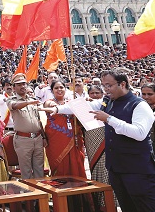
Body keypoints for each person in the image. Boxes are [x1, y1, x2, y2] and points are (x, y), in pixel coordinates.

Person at [47, 70, 155, 212]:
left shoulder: (139, 105)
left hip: (137, 169)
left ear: (122, 84)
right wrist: (57, 108)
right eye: (104, 86)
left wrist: (109, 119)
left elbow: (139, 133)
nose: (106, 90)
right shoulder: (108, 101)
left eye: (109, 85)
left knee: (144, 206)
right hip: (117, 168)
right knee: (127, 206)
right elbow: (81, 107)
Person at [42, 79, 86, 177]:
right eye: (56, 88)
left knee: (76, 163)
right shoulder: (49, 102)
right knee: (60, 166)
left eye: (61, 87)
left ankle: (79, 190)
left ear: (65, 89)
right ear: (52, 90)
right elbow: (48, 105)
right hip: (56, 140)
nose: (59, 90)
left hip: (73, 138)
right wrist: (55, 106)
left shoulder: (71, 102)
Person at [6, 73, 46, 179]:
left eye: (24, 84)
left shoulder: (33, 99)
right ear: (14, 87)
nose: (22, 86)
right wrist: (28, 103)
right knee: (26, 171)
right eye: (19, 85)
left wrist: (44, 137)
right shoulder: (11, 100)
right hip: (23, 139)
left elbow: (39, 120)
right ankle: (30, 195)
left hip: (37, 138)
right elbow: (15, 106)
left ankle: (40, 194)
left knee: (39, 169)